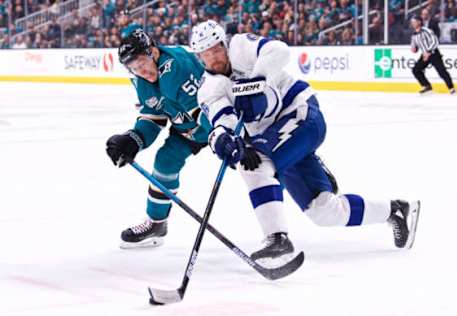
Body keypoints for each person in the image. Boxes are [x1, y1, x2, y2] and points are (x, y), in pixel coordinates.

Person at [190, 20, 421, 263]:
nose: (214, 57)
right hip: (271, 138)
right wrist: (224, 141)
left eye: (216, 49)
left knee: (258, 165)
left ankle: (277, 239)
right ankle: (395, 210)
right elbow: (222, 119)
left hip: (300, 112)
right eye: (206, 54)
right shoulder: (208, 89)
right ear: (199, 58)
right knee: (323, 211)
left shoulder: (240, 46)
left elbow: (279, 50)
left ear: (224, 44)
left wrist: (257, 82)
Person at [106, 27, 211, 249]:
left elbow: (207, 113)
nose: (140, 70)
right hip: (187, 130)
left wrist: (224, 137)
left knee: (257, 165)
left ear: (152, 51)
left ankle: (278, 221)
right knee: (165, 162)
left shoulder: (177, 67)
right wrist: (132, 140)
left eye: (142, 62)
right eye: (133, 67)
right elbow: (154, 118)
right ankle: (156, 223)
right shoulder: (141, 80)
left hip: (220, 123)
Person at [410, 16, 456, 94]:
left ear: (419, 22)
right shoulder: (414, 35)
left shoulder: (427, 30)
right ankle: (427, 86)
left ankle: (451, 88)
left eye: (414, 21)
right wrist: (413, 49)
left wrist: (428, 52)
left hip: (433, 53)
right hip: (424, 55)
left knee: (441, 71)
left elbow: (435, 41)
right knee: (416, 70)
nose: (412, 23)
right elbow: (414, 47)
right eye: (412, 22)